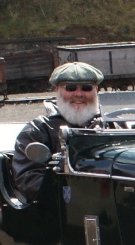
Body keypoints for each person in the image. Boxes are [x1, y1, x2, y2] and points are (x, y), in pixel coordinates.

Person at [11, 62, 103, 202]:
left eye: (86, 88)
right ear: (57, 90)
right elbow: (28, 180)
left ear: (96, 89)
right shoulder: (37, 130)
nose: (79, 94)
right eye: (70, 88)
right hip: (62, 209)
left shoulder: (111, 125)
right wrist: (77, 190)